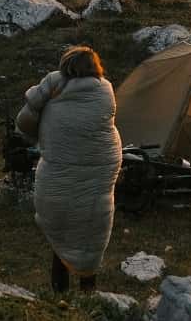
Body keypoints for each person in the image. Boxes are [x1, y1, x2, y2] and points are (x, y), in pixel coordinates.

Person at [16, 46, 122, 293]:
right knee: (90, 240)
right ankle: (89, 297)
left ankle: (60, 300)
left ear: (67, 65)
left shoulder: (53, 88)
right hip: (96, 184)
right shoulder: (105, 91)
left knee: (60, 242)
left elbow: (25, 122)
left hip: (58, 180)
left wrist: (36, 137)